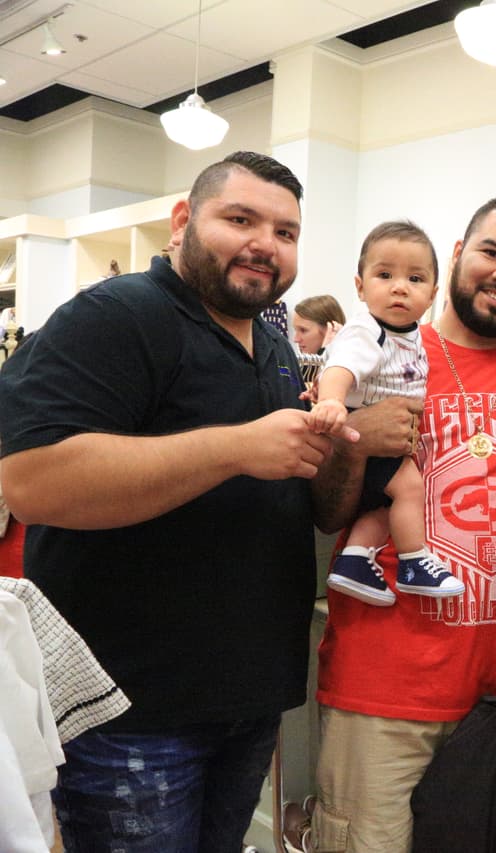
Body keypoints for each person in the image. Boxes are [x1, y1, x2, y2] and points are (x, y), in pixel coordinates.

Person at [0, 151, 341, 850]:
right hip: (131, 711)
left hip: (248, 699)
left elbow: (312, 508)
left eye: (285, 232)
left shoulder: (276, 349)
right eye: (240, 218)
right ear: (183, 221)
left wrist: (348, 449)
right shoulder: (117, 316)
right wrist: (235, 448)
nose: (264, 244)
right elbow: (31, 478)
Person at [308, 196, 496, 852]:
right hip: (382, 682)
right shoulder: (382, 349)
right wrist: (353, 439)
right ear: (457, 255)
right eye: (493, 252)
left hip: (492, 690)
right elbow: (329, 510)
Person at [310, 220, 463, 603]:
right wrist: (330, 398)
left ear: (432, 294)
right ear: (360, 286)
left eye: (415, 278)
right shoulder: (367, 331)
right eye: (384, 275)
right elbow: (341, 366)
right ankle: (414, 561)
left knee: (383, 507)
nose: (399, 286)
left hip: (390, 435)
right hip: (372, 434)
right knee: (411, 489)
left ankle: (356, 559)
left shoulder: (409, 335)